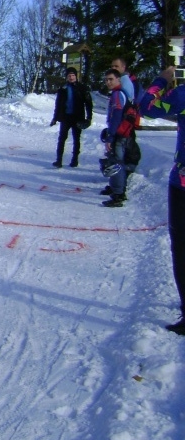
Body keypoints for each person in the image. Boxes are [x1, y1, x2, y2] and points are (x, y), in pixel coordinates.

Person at [137, 66, 185, 334]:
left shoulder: (182, 95)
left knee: (181, 248)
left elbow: (147, 107)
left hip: (182, 184)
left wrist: (161, 80)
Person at [50, 66, 93, 168]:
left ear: (76, 76)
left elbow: (88, 103)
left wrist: (89, 117)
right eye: (69, 75)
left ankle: (75, 160)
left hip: (78, 117)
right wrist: (55, 118)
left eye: (73, 75)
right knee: (62, 139)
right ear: (66, 77)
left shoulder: (82, 88)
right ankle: (59, 160)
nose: (71, 77)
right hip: (66, 117)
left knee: (76, 139)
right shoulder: (63, 89)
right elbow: (58, 105)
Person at [100, 68, 131, 207]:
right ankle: (115, 188)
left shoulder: (118, 94)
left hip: (119, 134)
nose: (108, 82)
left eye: (111, 79)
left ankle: (118, 194)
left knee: (116, 163)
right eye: (106, 80)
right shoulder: (116, 94)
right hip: (118, 132)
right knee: (113, 160)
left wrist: (110, 136)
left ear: (118, 79)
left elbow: (117, 116)